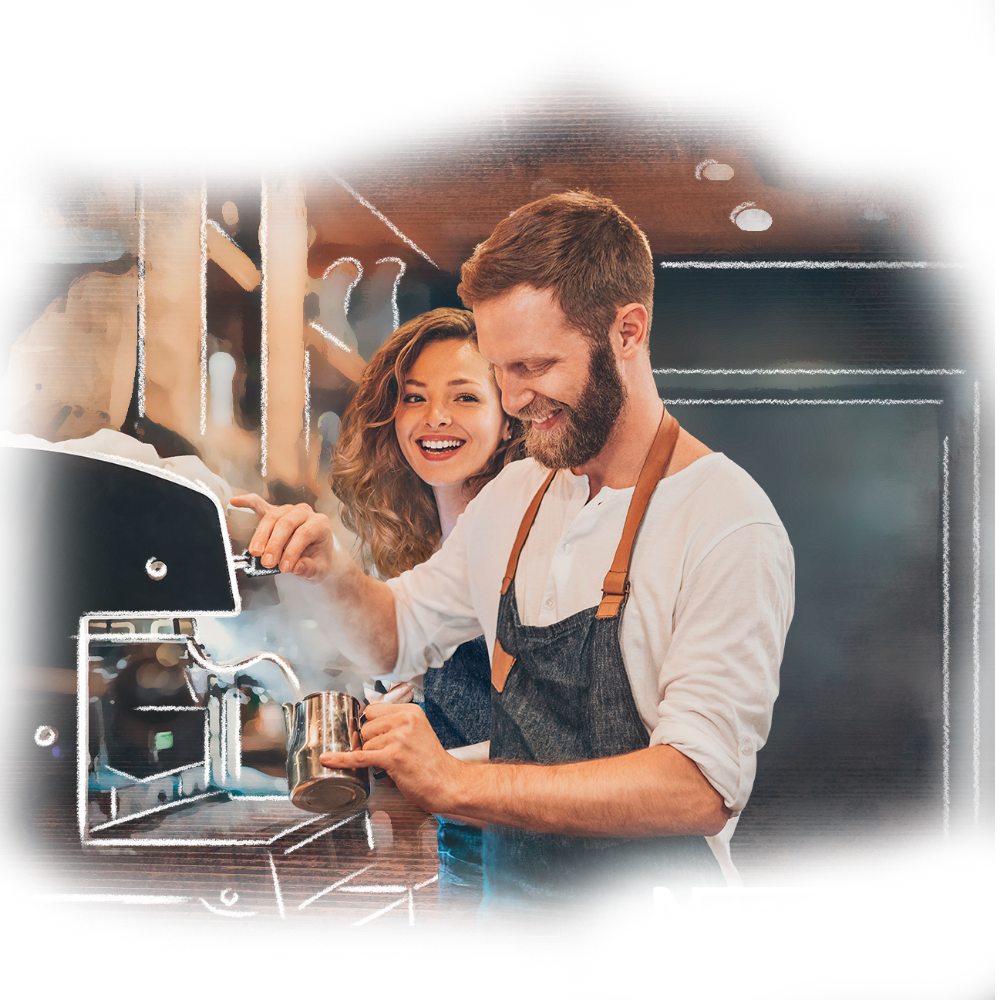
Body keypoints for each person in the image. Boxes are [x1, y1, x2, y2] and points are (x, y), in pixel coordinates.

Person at [232, 191, 795, 939]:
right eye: (502, 369)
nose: (515, 399)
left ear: (628, 331)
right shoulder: (518, 496)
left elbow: (697, 789)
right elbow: (395, 636)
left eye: (536, 366)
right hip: (514, 924)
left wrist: (458, 785)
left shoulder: (726, 521)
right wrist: (330, 570)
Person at [325, 307, 523, 926]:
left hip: (535, 844)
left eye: (464, 396)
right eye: (415, 398)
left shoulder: (527, 531)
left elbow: (570, 743)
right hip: (464, 842)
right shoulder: (422, 546)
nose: (435, 417)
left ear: (507, 415)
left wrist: (433, 764)